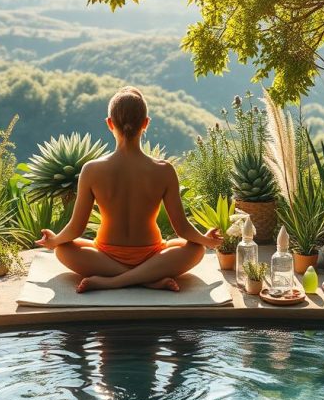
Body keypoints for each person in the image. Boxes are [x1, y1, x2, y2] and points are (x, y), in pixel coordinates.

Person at [36, 86, 222, 293]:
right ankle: (147, 278)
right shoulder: (164, 170)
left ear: (110, 123)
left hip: (106, 257)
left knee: (63, 249)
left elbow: (76, 228)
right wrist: (206, 240)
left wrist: (54, 240)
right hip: (151, 256)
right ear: (145, 123)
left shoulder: (91, 170)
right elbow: (183, 228)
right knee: (196, 249)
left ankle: (114, 280)